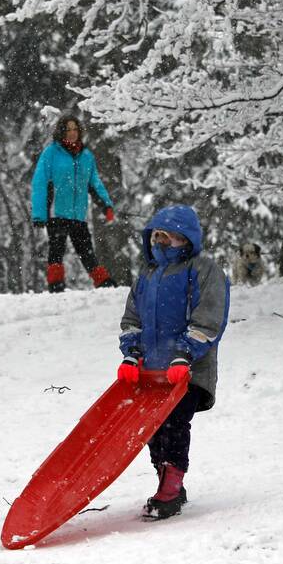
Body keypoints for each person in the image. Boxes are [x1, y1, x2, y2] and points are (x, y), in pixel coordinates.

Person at [115, 204, 230, 519]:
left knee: (175, 422)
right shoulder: (148, 275)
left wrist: (186, 352)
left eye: (170, 236)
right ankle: (168, 481)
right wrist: (131, 353)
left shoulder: (203, 270)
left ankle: (170, 489)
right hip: (152, 372)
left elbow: (209, 318)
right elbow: (132, 318)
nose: (161, 242)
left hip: (189, 370)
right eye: (156, 236)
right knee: (152, 428)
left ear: (187, 239)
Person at [30, 114, 117, 292]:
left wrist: (106, 206)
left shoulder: (86, 156)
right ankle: (56, 287)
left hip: (78, 213)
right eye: (68, 129)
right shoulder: (51, 153)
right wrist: (39, 214)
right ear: (62, 131)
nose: (72, 133)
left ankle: (105, 285)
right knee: (56, 251)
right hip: (57, 213)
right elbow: (39, 183)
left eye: (75, 129)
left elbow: (94, 183)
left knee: (86, 251)